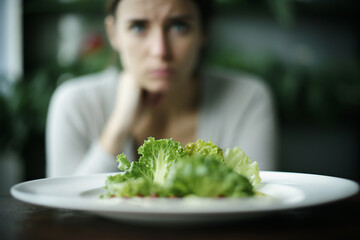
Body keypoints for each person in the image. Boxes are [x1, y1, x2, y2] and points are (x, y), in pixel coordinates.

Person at [46, 0, 277, 177]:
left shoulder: (247, 99)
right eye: (138, 27)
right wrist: (117, 128)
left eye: (178, 26)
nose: (160, 51)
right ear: (113, 33)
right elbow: (65, 213)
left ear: (203, 32)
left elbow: (257, 200)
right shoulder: (74, 103)